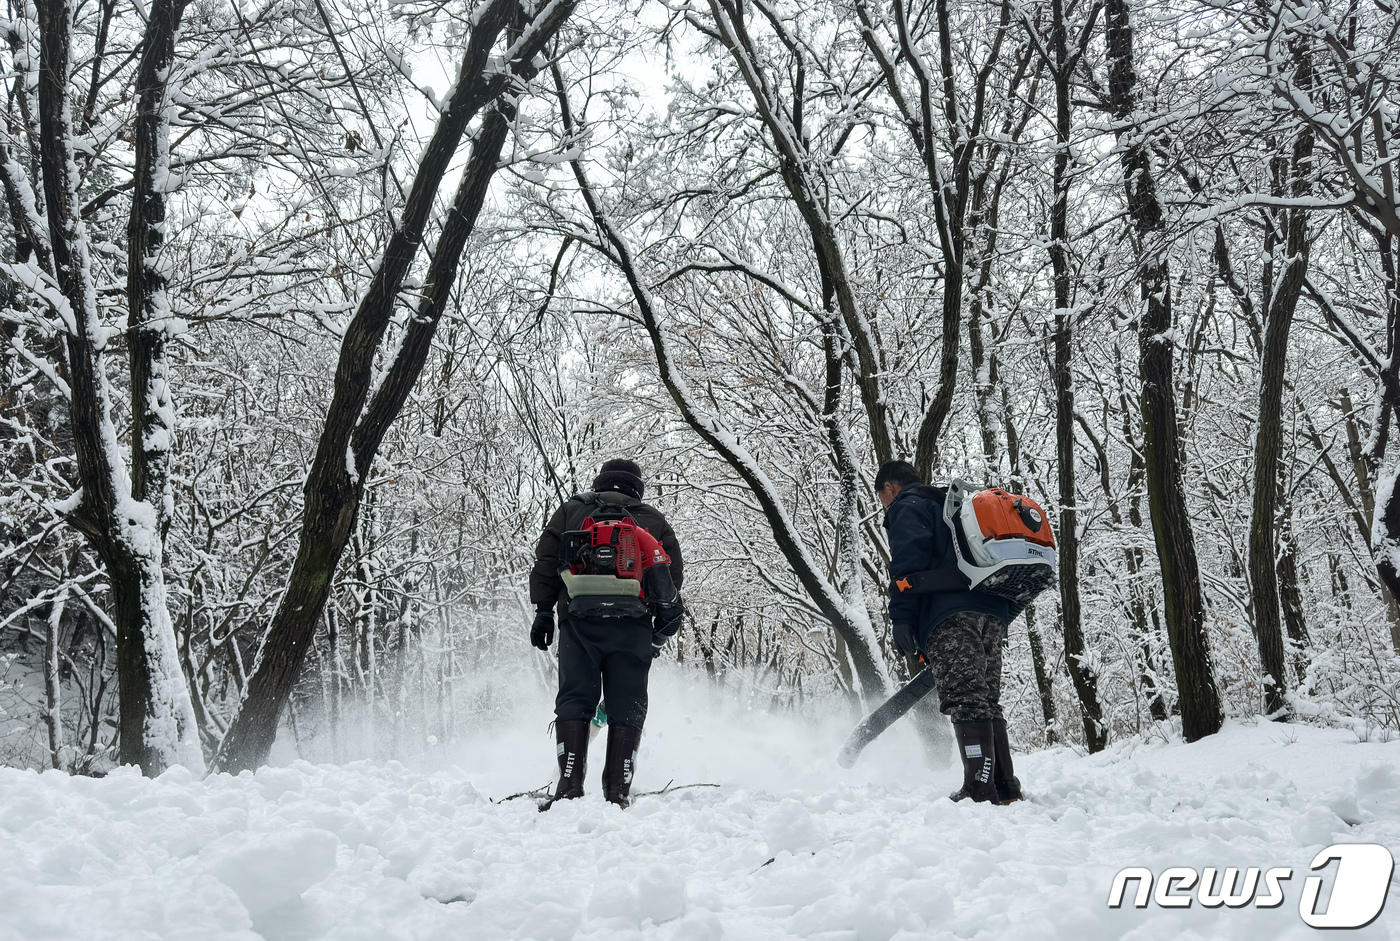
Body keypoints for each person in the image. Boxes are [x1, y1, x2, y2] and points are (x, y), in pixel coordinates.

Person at [529, 459, 685, 808]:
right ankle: (617, 793)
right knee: (627, 705)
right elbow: (671, 579)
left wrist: (543, 612)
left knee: (575, 699)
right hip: (633, 626)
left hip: (579, 621)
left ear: (599, 483)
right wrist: (657, 628)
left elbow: (547, 562)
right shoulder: (654, 521)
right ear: (637, 489)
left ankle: (569, 787)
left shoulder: (572, 510)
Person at [876, 459, 1021, 804]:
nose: (883, 503)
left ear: (890, 488)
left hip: (951, 615)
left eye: (881, 496)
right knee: (985, 697)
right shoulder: (951, 507)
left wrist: (902, 618)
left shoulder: (907, 506)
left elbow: (908, 564)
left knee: (965, 697)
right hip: (991, 608)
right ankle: (1004, 785)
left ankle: (978, 787)